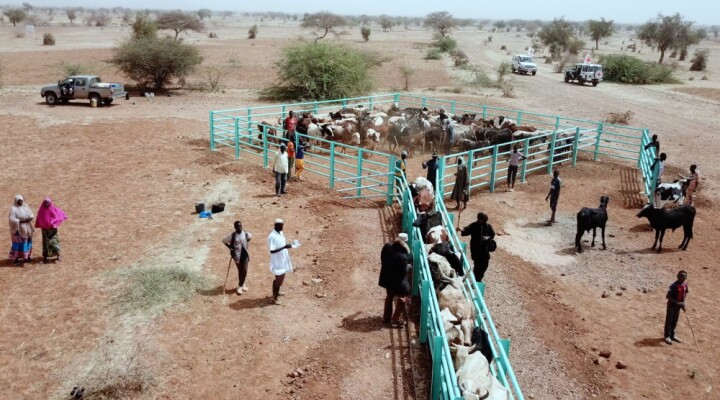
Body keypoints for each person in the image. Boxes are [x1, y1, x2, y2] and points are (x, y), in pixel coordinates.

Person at [378, 233, 411, 327]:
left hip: (386, 277)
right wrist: (408, 266)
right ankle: (396, 318)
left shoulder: (387, 246)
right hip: (397, 281)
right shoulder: (402, 255)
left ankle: (386, 318)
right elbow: (403, 271)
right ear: (405, 242)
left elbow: (382, 258)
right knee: (403, 298)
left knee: (389, 296)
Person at [458, 213, 495, 283]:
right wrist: (461, 230)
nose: (480, 221)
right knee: (477, 266)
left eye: (482, 220)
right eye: (479, 219)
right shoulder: (473, 225)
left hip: (485, 250)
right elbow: (466, 231)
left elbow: (492, 235)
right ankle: (476, 280)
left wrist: (487, 238)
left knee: (485, 265)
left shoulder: (488, 226)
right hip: (476, 250)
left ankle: (479, 278)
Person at [267, 219, 295, 305]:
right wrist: (284, 247)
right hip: (278, 261)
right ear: (276, 225)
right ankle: (274, 298)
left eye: (282, 225)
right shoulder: (272, 236)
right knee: (279, 280)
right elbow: (272, 250)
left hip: (282, 259)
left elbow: (282, 244)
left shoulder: (280, 232)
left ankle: (276, 293)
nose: (282, 227)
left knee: (280, 279)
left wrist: (288, 245)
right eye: (281, 226)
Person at [222, 221, 253, 295]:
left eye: (240, 226)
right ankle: (243, 284)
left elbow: (250, 237)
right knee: (240, 270)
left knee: (244, 270)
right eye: (238, 226)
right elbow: (224, 241)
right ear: (235, 227)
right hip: (237, 256)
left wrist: (246, 243)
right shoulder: (233, 235)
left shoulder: (245, 233)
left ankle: (239, 286)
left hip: (245, 255)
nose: (239, 227)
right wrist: (230, 248)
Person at [35, 198, 67, 263]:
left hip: (52, 230)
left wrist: (52, 223)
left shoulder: (52, 209)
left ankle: (58, 256)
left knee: (54, 243)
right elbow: (39, 218)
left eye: (48, 203)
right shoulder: (42, 210)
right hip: (45, 230)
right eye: (45, 202)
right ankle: (45, 258)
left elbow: (56, 216)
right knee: (46, 244)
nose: (47, 204)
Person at [8, 195, 35, 265]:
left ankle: (27, 256)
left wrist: (30, 218)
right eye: (19, 201)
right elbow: (11, 219)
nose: (20, 202)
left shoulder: (25, 206)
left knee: (27, 242)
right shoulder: (13, 208)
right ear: (16, 201)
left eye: (21, 200)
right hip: (18, 230)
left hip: (27, 228)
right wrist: (20, 221)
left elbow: (31, 213)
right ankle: (16, 259)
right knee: (18, 244)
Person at [664, 270, 688, 345]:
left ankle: (672, 335)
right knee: (669, 321)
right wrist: (677, 303)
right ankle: (667, 336)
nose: (681, 278)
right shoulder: (673, 286)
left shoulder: (685, 285)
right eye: (680, 276)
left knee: (675, 321)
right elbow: (668, 296)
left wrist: (683, 304)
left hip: (678, 307)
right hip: (671, 306)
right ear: (677, 276)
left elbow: (684, 295)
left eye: (683, 277)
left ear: (686, 277)